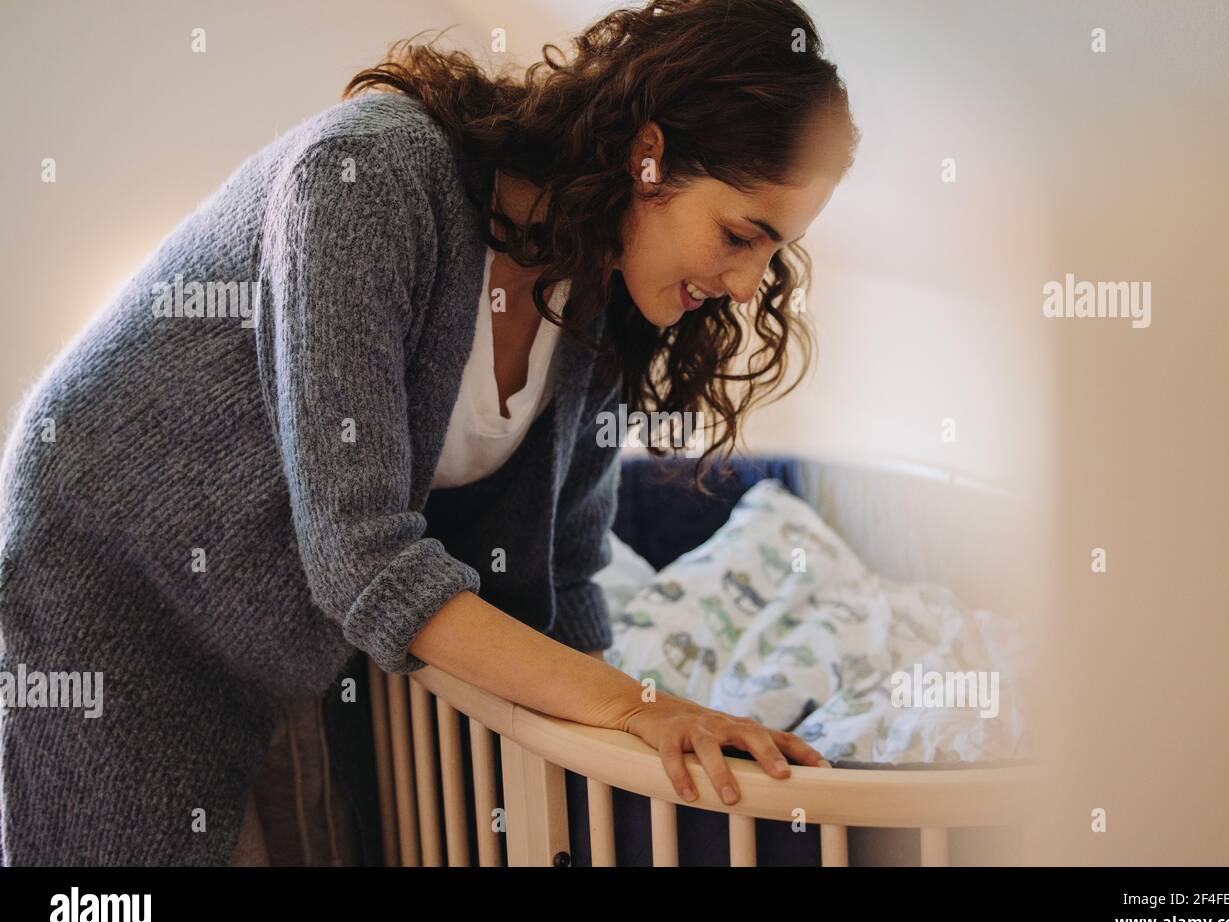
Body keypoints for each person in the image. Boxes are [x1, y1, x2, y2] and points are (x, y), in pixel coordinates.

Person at [0, 0, 859, 865]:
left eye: (772, 254)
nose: (750, 285)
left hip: (278, 615)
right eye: (740, 234)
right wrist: (634, 705)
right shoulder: (368, 177)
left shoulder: (605, 299)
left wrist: (615, 761)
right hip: (108, 573)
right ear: (648, 155)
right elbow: (362, 553)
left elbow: (564, 568)